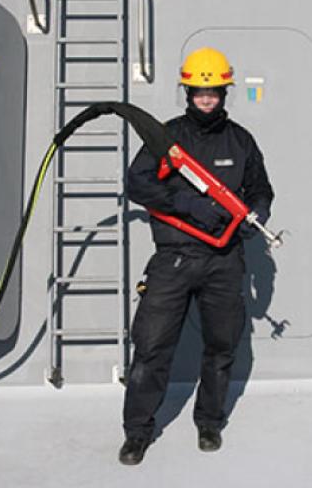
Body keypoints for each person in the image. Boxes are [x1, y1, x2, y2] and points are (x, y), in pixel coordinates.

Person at [118, 47, 274, 465]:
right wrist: (189, 203)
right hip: (174, 259)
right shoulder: (167, 137)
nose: (206, 98)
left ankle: (209, 421)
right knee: (151, 347)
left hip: (224, 262)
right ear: (187, 90)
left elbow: (260, 187)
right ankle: (137, 432)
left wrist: (258, 211)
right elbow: (138, 184)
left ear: (224, 91)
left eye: (214, 91)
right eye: (199, 90)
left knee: (222, 347)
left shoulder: (241, 140)